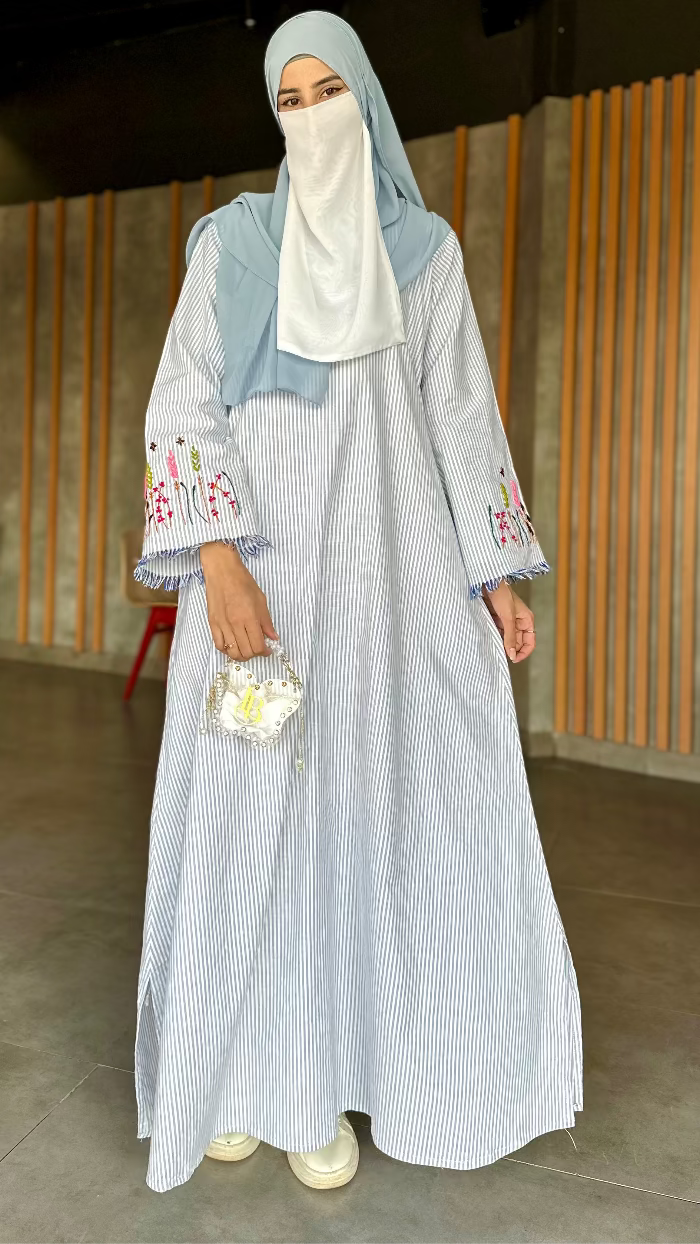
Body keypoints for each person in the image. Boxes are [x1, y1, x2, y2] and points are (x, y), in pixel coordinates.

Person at [135, 10, 582, 1195]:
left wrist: (492, 576)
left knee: (352, 822)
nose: (312, 115)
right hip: (258, 597)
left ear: (367, 99)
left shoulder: (422, 253)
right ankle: (236, 1072)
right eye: (290, 99)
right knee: (247, 819)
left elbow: (460, 417)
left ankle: (319, 1078)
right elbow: (184, 402)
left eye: (331, 90)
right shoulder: (230, 247)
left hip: (386, 597)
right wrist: (218, 564)